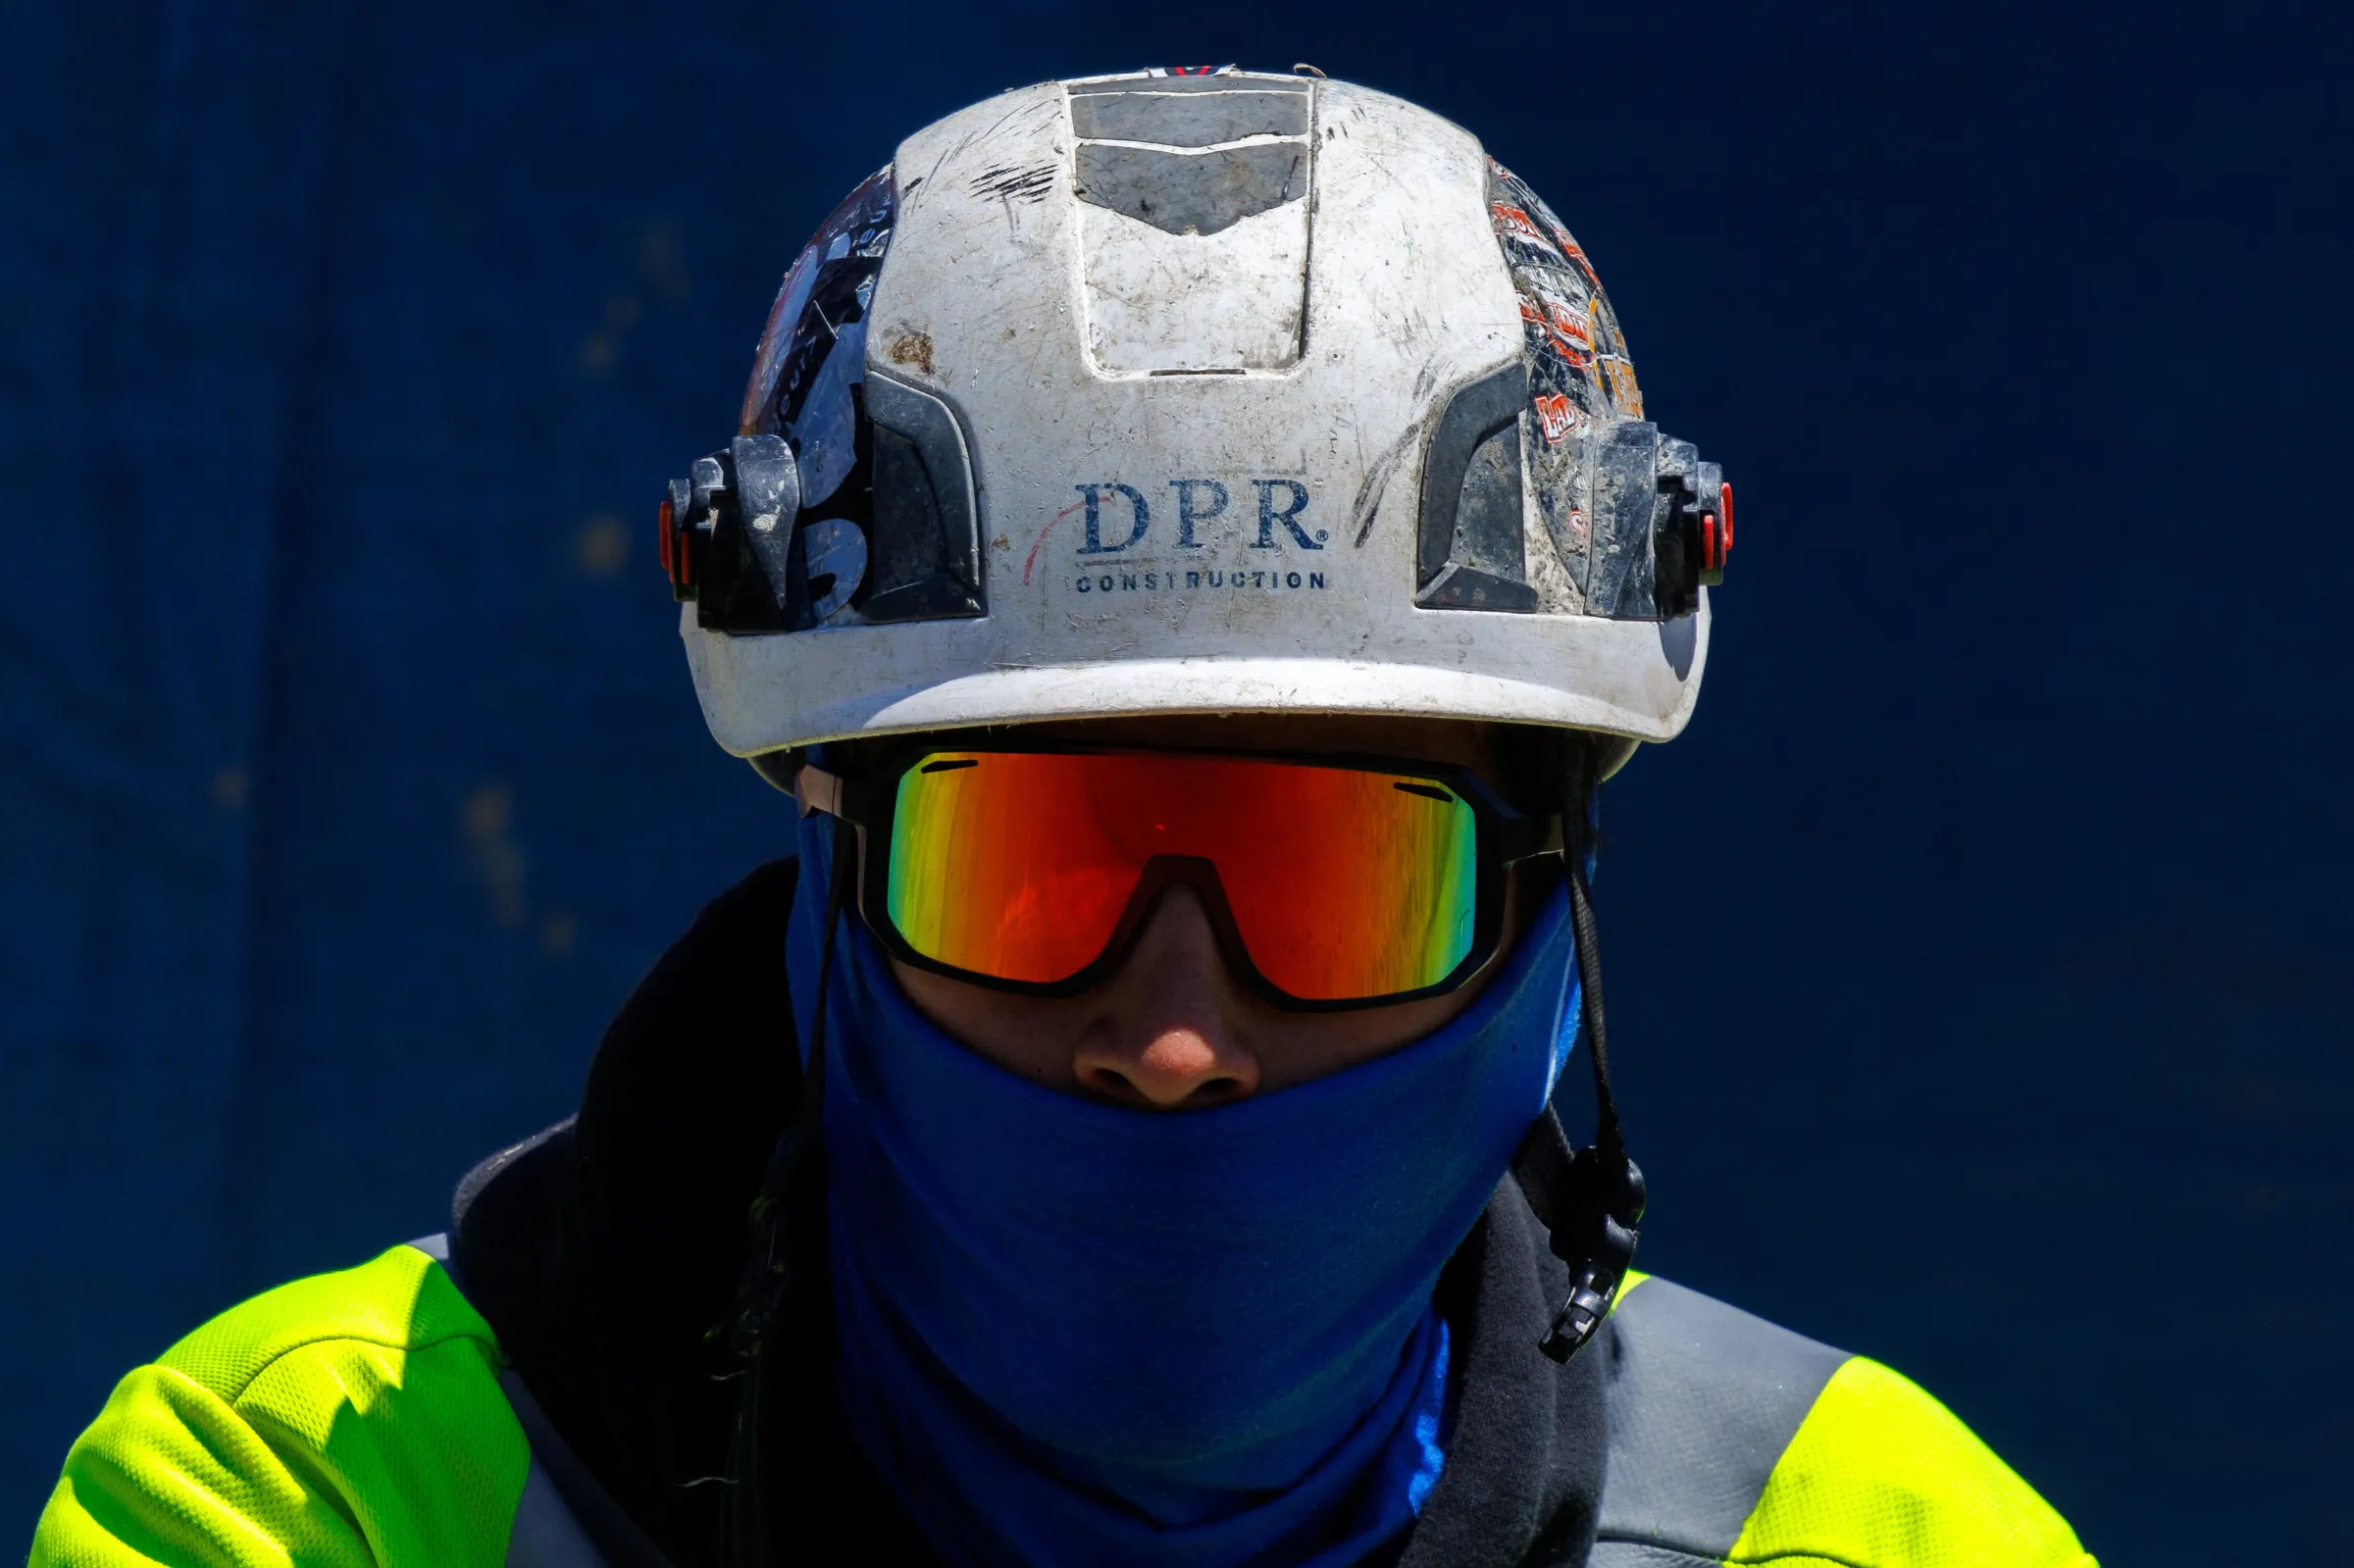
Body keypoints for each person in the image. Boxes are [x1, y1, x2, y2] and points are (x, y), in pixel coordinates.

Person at [29, 67, 2097, 1568]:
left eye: (1338, 877)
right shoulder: (305, 1497)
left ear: (1550, 923)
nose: (1172, 1039)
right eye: (1040, 867)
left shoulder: (1869, 1537)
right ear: (831, 877)